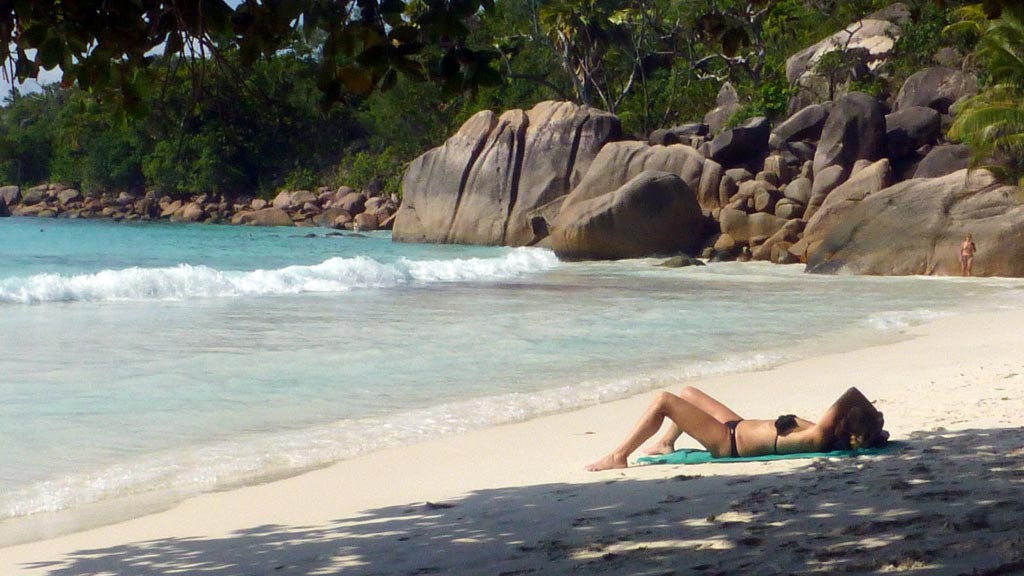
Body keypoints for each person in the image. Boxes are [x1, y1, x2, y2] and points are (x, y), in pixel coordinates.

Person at [585, 386, 888, 471]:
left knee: (664, 401)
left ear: (848, 432)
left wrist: (873, 418)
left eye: (848, 417)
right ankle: (666, 443)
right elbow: (855, 406)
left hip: (726, 442)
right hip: (737, 426)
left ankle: (619, 455)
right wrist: (875, 426)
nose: (842, 415)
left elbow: (850, 393)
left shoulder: (821, 435)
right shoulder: (828, 434)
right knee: (688, 394)